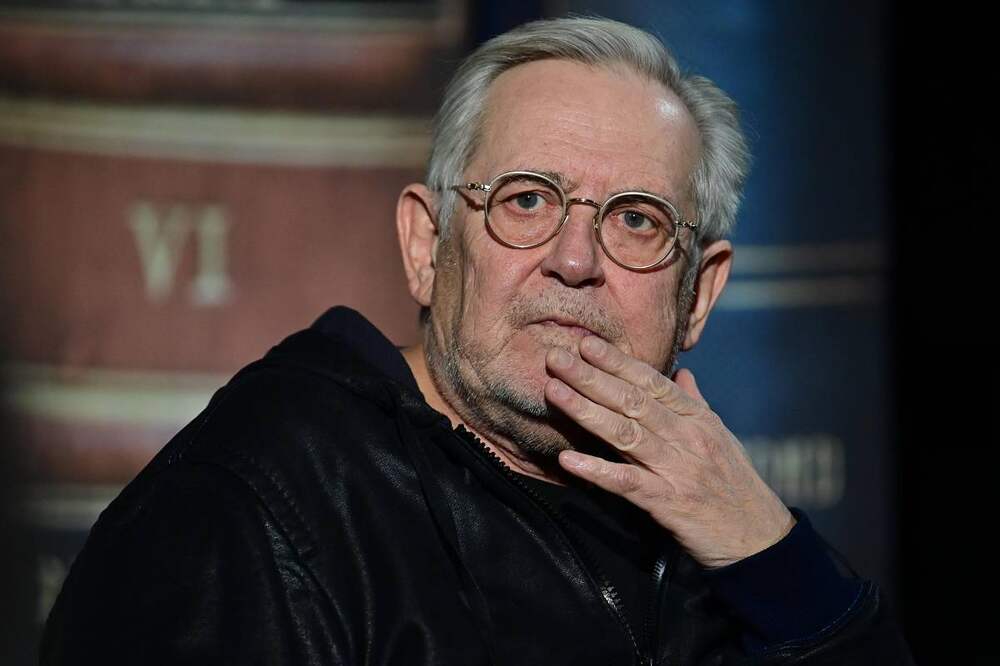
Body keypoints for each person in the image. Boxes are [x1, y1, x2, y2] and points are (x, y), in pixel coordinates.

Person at [41, 16, 913, 665]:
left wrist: (769, 550)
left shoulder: (723, 541)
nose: (576, 261)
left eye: (636, 220)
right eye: (527, 200)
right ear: (427, 246)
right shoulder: (252, 513)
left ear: (699, 295)